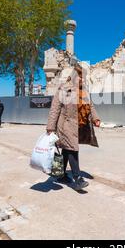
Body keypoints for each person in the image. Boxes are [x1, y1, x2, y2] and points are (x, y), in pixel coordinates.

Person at [46, 63, 101, 192]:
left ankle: (59, 174)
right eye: (80, 76)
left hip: (79, 125)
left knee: (66, 150)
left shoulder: (84, 91)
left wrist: (95, 118)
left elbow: (90, 106)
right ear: (73, 77)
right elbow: (55, 109)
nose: (82, 79)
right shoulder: (63, 89)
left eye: (84, 77)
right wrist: (50, 127)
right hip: (65, 125)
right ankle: (77, 179)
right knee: (73, 148)